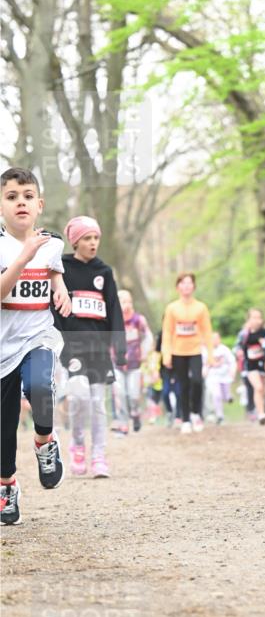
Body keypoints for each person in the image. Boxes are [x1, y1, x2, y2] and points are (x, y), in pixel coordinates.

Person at [0, 167, 71, 525]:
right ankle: (7, 486)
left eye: (27, 196)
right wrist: (22, 258)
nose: (20, 203)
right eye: (11, 197)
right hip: (2, 350)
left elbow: (53, 268)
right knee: (4, 427)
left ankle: (45, 442)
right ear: (1, 206)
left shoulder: (52, 243)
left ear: (39, 204)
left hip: (38, 335)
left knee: (41, 386)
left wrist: (60, 287)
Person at [54, 215, 126, 478]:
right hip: (73, 346)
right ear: (75, 242)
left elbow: (114, 309)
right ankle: (77, 444)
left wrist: (119, 346)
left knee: (97, 402)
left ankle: (98, 456)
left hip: (98, 347)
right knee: (79, 396)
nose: (93, 243)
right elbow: (56, 309)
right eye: (87, 238)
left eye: (96, 238)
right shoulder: (62, 269)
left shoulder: (104, 272)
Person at [161, 272, 213, 434]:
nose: (186, 286)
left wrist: (210, 354)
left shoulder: (201, 308)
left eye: (189, 283)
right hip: (177, 351)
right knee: (182, 385)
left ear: (194, 287)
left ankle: (196, 413)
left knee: (197, 381)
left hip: (195, 350)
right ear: (178, 287)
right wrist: (166, 354)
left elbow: (207, 331)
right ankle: (185, 419)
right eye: (183, 283)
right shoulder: (171, 308)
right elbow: (167, 332)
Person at [114, 289, 153, 433]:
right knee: (120, 394)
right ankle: (123, 422)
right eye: (123, 302)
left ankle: (136, 413)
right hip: (117, 364)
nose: (127, 305)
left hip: (135, 363)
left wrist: (144, 352)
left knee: (133, 394)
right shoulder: (112, 320)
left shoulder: (138, 320)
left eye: (129, 301)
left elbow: (148, 337)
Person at [239, 308, 265, 424]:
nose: (256, 320)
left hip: (263, 364)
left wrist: (264, 344)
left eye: (259, 317)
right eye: (254, 317)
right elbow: (238, 347)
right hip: (250, 365)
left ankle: (260, 409)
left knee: (264, 390)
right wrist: (240, 352)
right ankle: (261, 414)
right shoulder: (244, 333)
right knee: (258, 387)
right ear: (248, 319)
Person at [206, 331, 236, 423]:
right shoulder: (207, 350)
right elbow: (204, 363)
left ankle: (228, 397)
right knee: (216, 395)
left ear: (219, 339)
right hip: (213, 377)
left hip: (225, 376)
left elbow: (232, 361)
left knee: (225, 396)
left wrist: (232, 372)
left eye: (216, 338)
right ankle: (220, 415)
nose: (214, 341)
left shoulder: (224, 350)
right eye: (212, 339)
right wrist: (204, 371)